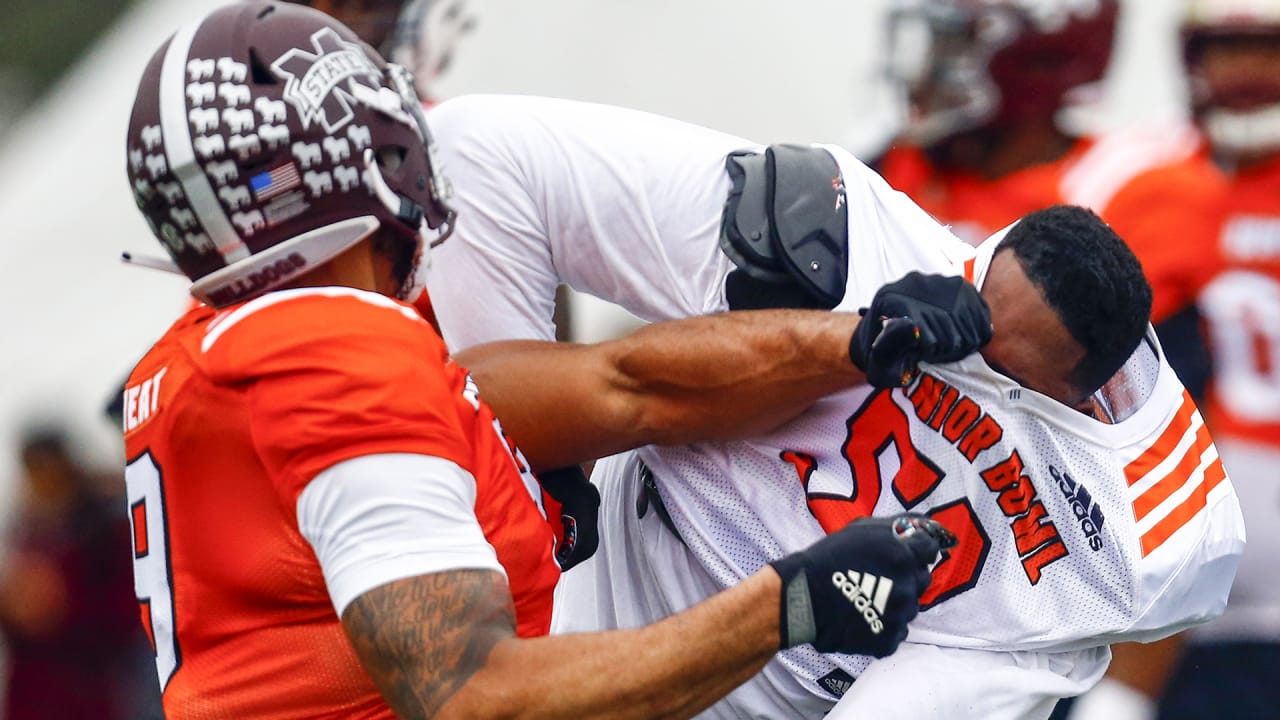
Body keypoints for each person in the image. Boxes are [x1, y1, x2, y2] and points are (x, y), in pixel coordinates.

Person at [120, 3, 979, 716]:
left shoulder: (193, 359)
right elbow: (475, 698)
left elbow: (625, 386)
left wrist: (856, 339)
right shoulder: (334, 352)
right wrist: (785, 606)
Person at [422, 92, 1246, 719]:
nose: (974, 353)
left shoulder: (1127, 537)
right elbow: (473, 156)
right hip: (576, 576)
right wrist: (529, 484)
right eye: (978, 318)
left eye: (1007, 362)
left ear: (1076, 390)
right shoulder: (847, 243)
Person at [1068, 2, 1280, 719]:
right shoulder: (1141, 182)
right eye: (1227, 51)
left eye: (1268, 51)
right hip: (1157, 568)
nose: (1247, 74)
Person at [0, 426, 161, 720]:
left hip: (92, 695)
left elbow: (130, 612)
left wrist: (61, 604)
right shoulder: (24, 529)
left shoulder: (104, 528)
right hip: (32, 697)